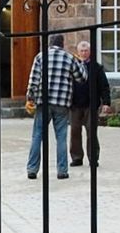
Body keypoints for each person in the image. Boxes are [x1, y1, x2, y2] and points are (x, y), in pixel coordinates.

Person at [25, 34, 84, 180]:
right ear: (62, 43)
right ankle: (62, 171)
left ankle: (32, 169)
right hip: (62, 103)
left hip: (43, 102)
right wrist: (80, 62)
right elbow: (82, 78)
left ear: (50, 43)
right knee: (61, 137)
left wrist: (30, 98)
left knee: (37, 136)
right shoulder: (69, 58)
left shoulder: (40, 57)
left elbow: (33, 80)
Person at [69, 39, 112, 169]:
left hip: (91, 105)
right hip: (75, 104)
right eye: (81, 51)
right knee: (74, 132)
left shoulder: (96, 67)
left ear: (90, 52)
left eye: (86, 50)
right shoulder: (73, 66)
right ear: (78, 52)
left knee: (91, 133)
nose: (84, 53)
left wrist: (106, 102)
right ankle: (76, 158)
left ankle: (93, 158)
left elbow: (104, 86)